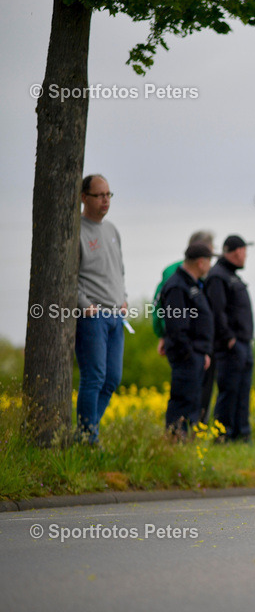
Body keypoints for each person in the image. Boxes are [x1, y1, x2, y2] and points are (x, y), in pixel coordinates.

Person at [75, 174, 127, 444]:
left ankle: (88, 433)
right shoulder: (76, 231)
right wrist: (85, 306)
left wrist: (124, 298)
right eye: (99, 195)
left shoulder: (112, 231)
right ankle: (87, 438)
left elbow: (119, 271)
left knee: (112, 379)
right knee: (94, 377)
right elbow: (67, 277)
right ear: (84, 198)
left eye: (109, 194)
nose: (105, 200)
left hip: (116, 317)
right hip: (92, 318)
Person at [154, 230, 217, 422]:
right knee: (182, 401)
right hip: (186, 355)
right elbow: (176, 326)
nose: (210, 265)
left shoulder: (193, 284)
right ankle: (174, 440)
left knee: (193, 402)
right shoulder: (177, 286)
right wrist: (190, 354)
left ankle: (185, 441)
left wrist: (202, 352)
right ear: (200, 262)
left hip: (196, 354)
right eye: (209, 260)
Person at [206, 235, 255, 443]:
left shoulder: (232, 275)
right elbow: (217, 311)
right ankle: (222, 435)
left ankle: (241, 435)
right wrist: (229, 338)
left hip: (243, 344)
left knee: (242, 392)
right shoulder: (218, 276)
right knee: (229, 391)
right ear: (236, 251)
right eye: (244, 251)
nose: (245, 256)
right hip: (230, 346)